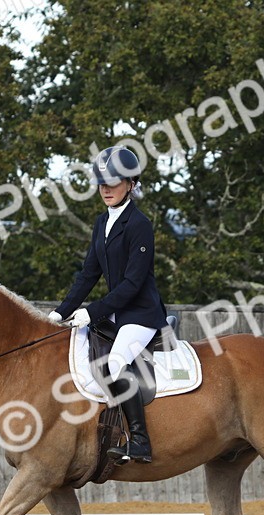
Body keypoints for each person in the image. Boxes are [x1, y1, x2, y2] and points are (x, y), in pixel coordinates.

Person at [50, 145, 167, 464]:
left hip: (140, 315)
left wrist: (92, 311)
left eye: (113, 183)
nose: (106, 189)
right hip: (116, 313)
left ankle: (140, 440)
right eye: (101, 183)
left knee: (114, 366)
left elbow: (133, 284)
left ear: (130, 184)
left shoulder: (139, 224)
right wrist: (60, 311)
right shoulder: (102, 222)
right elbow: (89, 273)